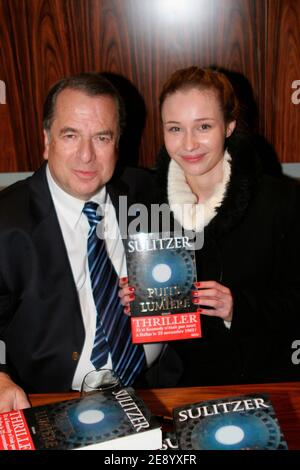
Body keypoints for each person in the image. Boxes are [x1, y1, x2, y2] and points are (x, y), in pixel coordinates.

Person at [120, 66, 300, 387]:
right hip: (175, 389)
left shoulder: (281, 202)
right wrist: (134, 299)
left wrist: (237, 308)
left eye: (203, 126)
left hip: (262, 382)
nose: (189, 144)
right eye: (175, 129)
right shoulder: (144, 202)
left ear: (229, 126)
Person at [0, 73, 161, 412]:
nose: (86, 155)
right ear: (47, 141)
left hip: (157, 391)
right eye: (71, 135)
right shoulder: (6, 221)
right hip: (52, 403)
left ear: (118, 143)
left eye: (102, 137)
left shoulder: (147, 194)